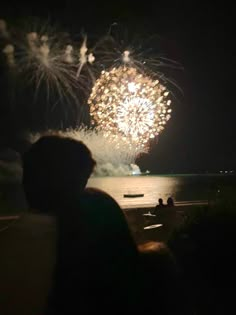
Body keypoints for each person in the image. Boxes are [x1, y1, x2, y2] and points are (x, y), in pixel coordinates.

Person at [22, 135, 181, 314]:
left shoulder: (28, 258)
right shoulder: (141, 274)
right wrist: (167, 228)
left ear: (28, 180)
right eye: (82, 182)